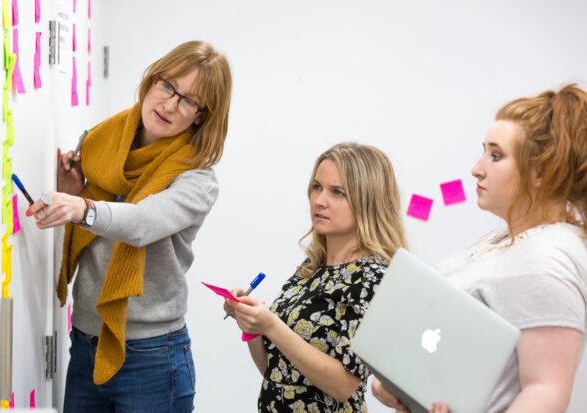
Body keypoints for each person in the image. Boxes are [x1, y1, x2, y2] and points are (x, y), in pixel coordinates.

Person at [26, 40, 232, 412]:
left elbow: (141, 223)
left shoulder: (197, 178)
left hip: (152, 356)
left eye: (189, 101)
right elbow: (99, 217)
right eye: (168, 85)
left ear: (200, 117)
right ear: (153, 80)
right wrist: (76, 189)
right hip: (85, 342)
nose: (170, 104)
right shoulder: (103, 143)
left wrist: (83, 206)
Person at [372, 84, 587, 413]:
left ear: (540, 172)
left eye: (496, 156)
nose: (477, 168)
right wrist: (394, 382)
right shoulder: (504, 238)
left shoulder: (548, 259)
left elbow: (546, 391)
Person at [224, 142, 409, 412]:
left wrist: (271, 325)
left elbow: (343, 386)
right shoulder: (311, 268)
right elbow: (275, 372)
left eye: (338, 192)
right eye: (317, 187)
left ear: (368, 200)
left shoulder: (373, 278)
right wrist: (251, 325)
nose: (319, 200)